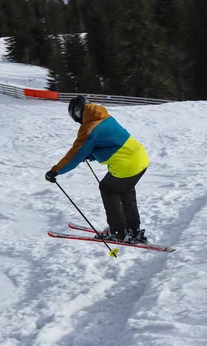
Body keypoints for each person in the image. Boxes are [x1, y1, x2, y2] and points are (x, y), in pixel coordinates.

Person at [45, 96, 150, 243]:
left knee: (107, 188)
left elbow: (73, 156)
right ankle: (133, 229)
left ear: (76, 112)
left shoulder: (88, 129)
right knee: (125, 188)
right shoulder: (106, 118)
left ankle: (118, 231)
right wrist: (91, 155)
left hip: (126, 164)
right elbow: (111, 144)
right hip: (141, 159)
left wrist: (55, 171)